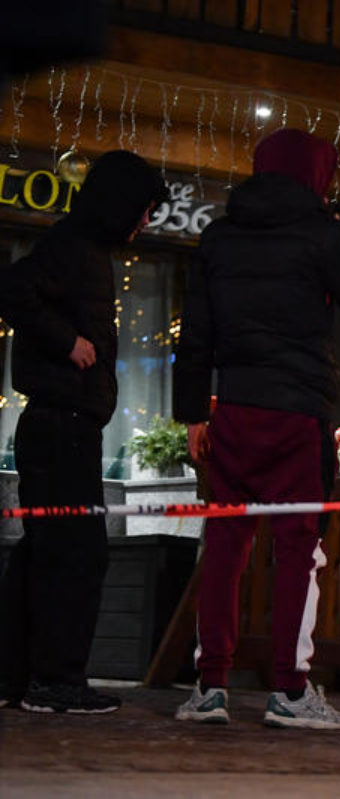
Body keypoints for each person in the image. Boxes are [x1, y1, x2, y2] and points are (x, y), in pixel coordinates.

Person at [172, 128, 340, 730]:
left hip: (235, 410)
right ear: (317, 175)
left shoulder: (219, 236)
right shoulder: (322, 230)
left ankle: (209, 687)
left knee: (224, 546)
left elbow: (195, 332)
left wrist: (193, 414)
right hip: (298, 413)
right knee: (298, 549)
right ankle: (290, 691)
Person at [0, 150, 167, 713]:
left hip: (57, 424)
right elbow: (11, 289)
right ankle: (55, 682)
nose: (146, 222)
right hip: (63, 424)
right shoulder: (73, 247)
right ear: (120, 204)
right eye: (143, 209)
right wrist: (66, 341)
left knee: (44, 551)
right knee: (76, 554)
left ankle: (17, 679)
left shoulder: (79, 247)